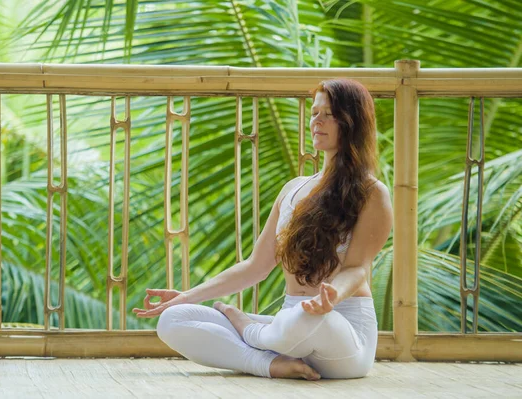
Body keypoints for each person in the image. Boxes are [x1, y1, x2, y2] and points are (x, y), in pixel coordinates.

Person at [132, 79, 393, 381]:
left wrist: (332, 296)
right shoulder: (293, 189)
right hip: (286, 332)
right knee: (173, 319)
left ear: (352, 121)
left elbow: (357, 268)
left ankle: (249, 330)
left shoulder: (372, 193)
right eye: (314, 113)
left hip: (341, 334)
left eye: (329, 114)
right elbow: (255, 267)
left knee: (309, 317)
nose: (317, 122)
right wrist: (186, 296)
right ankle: (268, 364)